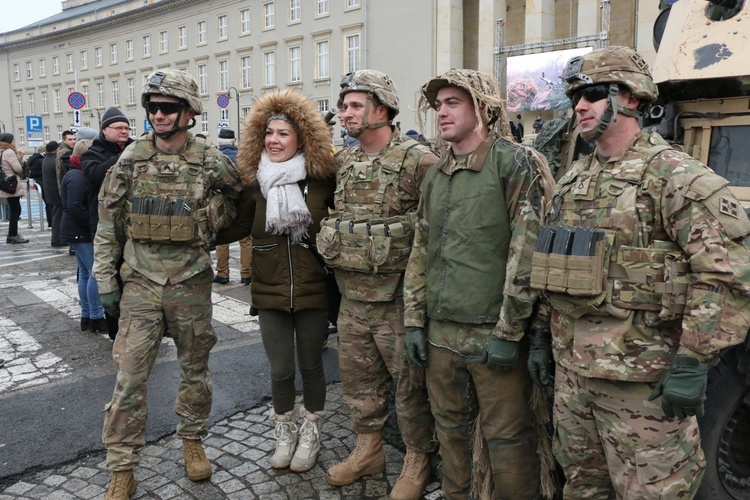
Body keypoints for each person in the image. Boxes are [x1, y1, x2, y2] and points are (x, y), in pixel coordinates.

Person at [528, 46, 750, 498]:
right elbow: (555, 266)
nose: (579, 106)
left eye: (592, 93)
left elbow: (725, 276)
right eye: (575, 97)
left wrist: (693, 361)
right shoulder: (575, 179)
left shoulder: (676, 177)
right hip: (574, 376)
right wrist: (539, 336)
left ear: (630, 98)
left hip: (642, 385)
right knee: (582, 486)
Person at [404, 69, 554, 499]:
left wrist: (510, 333)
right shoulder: (437, 173)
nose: (442, 113)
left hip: (493, 336)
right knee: (449, 432)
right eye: (438, 106)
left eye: (453, 103)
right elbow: (421, 249)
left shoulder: (512, 162)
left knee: (508, 439)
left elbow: (527, 252)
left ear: (482, 109)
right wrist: (415, 321)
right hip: (441, 335)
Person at [94, 68, 242, 500]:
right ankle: (121, 466)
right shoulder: (131, 158)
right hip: (139, 281)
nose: (158, 115)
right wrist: (105, 279)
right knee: (129, 378)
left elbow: (239, 201)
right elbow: (108, 223)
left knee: (195, 371)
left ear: (188, 113)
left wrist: (211, 225)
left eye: (168, 108)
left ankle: (192, 441)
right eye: (153, 108)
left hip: (190, 283)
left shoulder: (210, 159)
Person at [317, 69, 438, 500]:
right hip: (353, 298)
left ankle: (418, 459)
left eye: (354, 105)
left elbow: (436, 230)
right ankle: (368, 450)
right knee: (358, 384)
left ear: (381, 109)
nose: (344, 112)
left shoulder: (417, 160)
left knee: (410, 387)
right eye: (343, 105)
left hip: (399, 300)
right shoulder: (344, 160)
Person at [216, 88, 336, 472]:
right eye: (269, 134)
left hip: (315, 290)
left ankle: (311, 430)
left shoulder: (321, 181)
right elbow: (234, 225)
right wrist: (195, 230)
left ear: (302, 137)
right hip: (268, 292)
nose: (274, 140)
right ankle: (284, 431)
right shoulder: (255, 185)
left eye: (283, 133)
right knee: (281, 369)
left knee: (312, 366)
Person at [82, 107, 134, 338]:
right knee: (111, 280)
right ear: (105, 130)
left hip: (136, 225)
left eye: (127, 127)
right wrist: (125, 157)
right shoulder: (92, 153)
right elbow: (96, 176)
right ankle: (116, 332)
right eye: (119, 128)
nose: (124, 131)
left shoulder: (136, 148)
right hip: (108, 227)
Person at [60, 139, 108, 333]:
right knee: (94, 273)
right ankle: (95, 316)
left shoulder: (74, 173)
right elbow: (75, 206)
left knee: (86, 273)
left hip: (76, 231)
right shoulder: (78, 176)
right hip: (81, 232)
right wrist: (91, 227)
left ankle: (87, 316)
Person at [213, 128, 252, 285]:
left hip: (221, 205)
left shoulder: (215, 157)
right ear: (234, 142)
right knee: (246, 240)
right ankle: (246, 274)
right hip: (241, 203)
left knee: (222, 239)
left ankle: (223, 273)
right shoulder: (242, 158)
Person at [0, 133, 29, 244]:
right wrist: (19, 160)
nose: (15, 141)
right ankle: (12, 235)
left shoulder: (1, 151)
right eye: (13, 140)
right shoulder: (9, 152)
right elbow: (18, 169)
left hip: (4, 183)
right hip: (11, 184)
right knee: (16, 210)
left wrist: (19, 158)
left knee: (13, 208)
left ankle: (12, 235)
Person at [42, 140, 65, 247]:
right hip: (56, 193)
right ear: (56, 150)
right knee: (58, 217)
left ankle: (58, 238)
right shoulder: (54, 161)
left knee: (56, 215)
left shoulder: (46, 159)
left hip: (49, 192)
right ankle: (57, 240)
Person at [27, 145, 51, 228]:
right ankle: (50, 222)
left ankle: (50, 222)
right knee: (49, 203)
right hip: (42, 182)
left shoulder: (34, 159)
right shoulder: (41, 160)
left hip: (39, 182)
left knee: (47, 203)